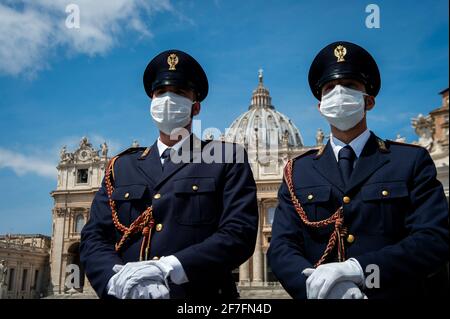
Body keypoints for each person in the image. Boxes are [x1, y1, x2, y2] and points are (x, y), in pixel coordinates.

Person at [268, 41, 449, 299]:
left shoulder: (410, 161)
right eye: (330, 88)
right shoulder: (297, 171)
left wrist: (360, 270)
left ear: (369, 100)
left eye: (350, 85)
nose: (339, 94)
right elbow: (281, 249)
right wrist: (320, 289)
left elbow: (434, 239)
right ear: (320, 106)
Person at [80, 49, 258, 299]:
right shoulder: (120, 167)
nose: (168, 99)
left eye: (179, 93)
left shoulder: (227, 158)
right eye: (161, 92)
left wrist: (168, 267)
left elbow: (239, 234)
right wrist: (116, 281)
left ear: (195, 107)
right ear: (151, 103)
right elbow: (94, 237)